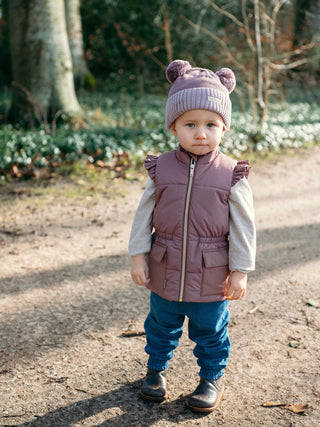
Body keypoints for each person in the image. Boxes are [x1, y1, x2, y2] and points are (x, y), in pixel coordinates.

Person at [128, 59, 256, 413]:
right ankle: (155, 372)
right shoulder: (161, 169)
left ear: (224, 128)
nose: (201, 133)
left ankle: (211, 377)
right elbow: (143, 216)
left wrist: (240, 270)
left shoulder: (232, 174)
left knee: (211, 331)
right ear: (174, 127)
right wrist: (139, 255)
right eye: (190, 124)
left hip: (212, 273)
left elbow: (244, 226)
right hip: (165, 266)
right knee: (160, 324)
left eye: (211, 124)